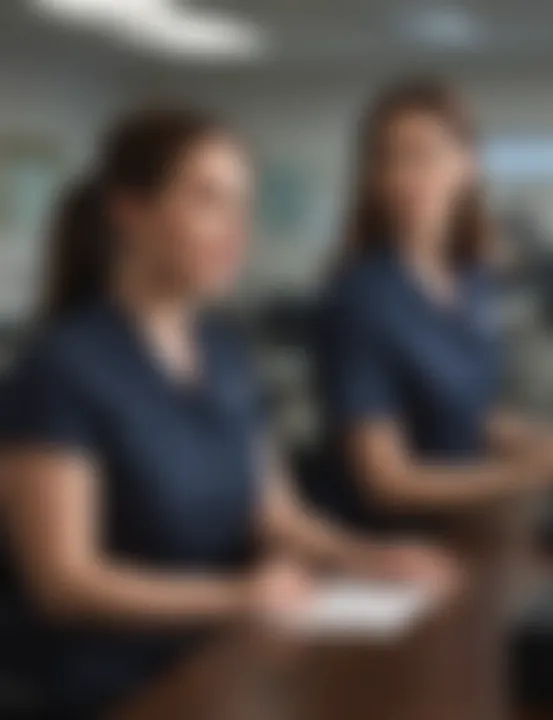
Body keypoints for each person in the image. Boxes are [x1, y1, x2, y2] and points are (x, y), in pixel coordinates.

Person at [0, 107, 453, 720]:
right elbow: (65, 582)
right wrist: (235, 596)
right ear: (131, 212)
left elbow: (276, 515)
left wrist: (366, 558)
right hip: (120, 689)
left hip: (230, 663)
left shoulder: (226, 351)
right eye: (208, 200)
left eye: (243, 205)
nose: (236, 230)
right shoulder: (62, 367)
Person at [312, 78, 553, 718]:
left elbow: (477, 416)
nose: (407, 175)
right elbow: (388, 481)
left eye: (425, 154)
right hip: (386, 569)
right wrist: (540, 470)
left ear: (466, 166)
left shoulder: (471, 281)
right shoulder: (361, 297)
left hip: (466, 548)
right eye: (389, 157)